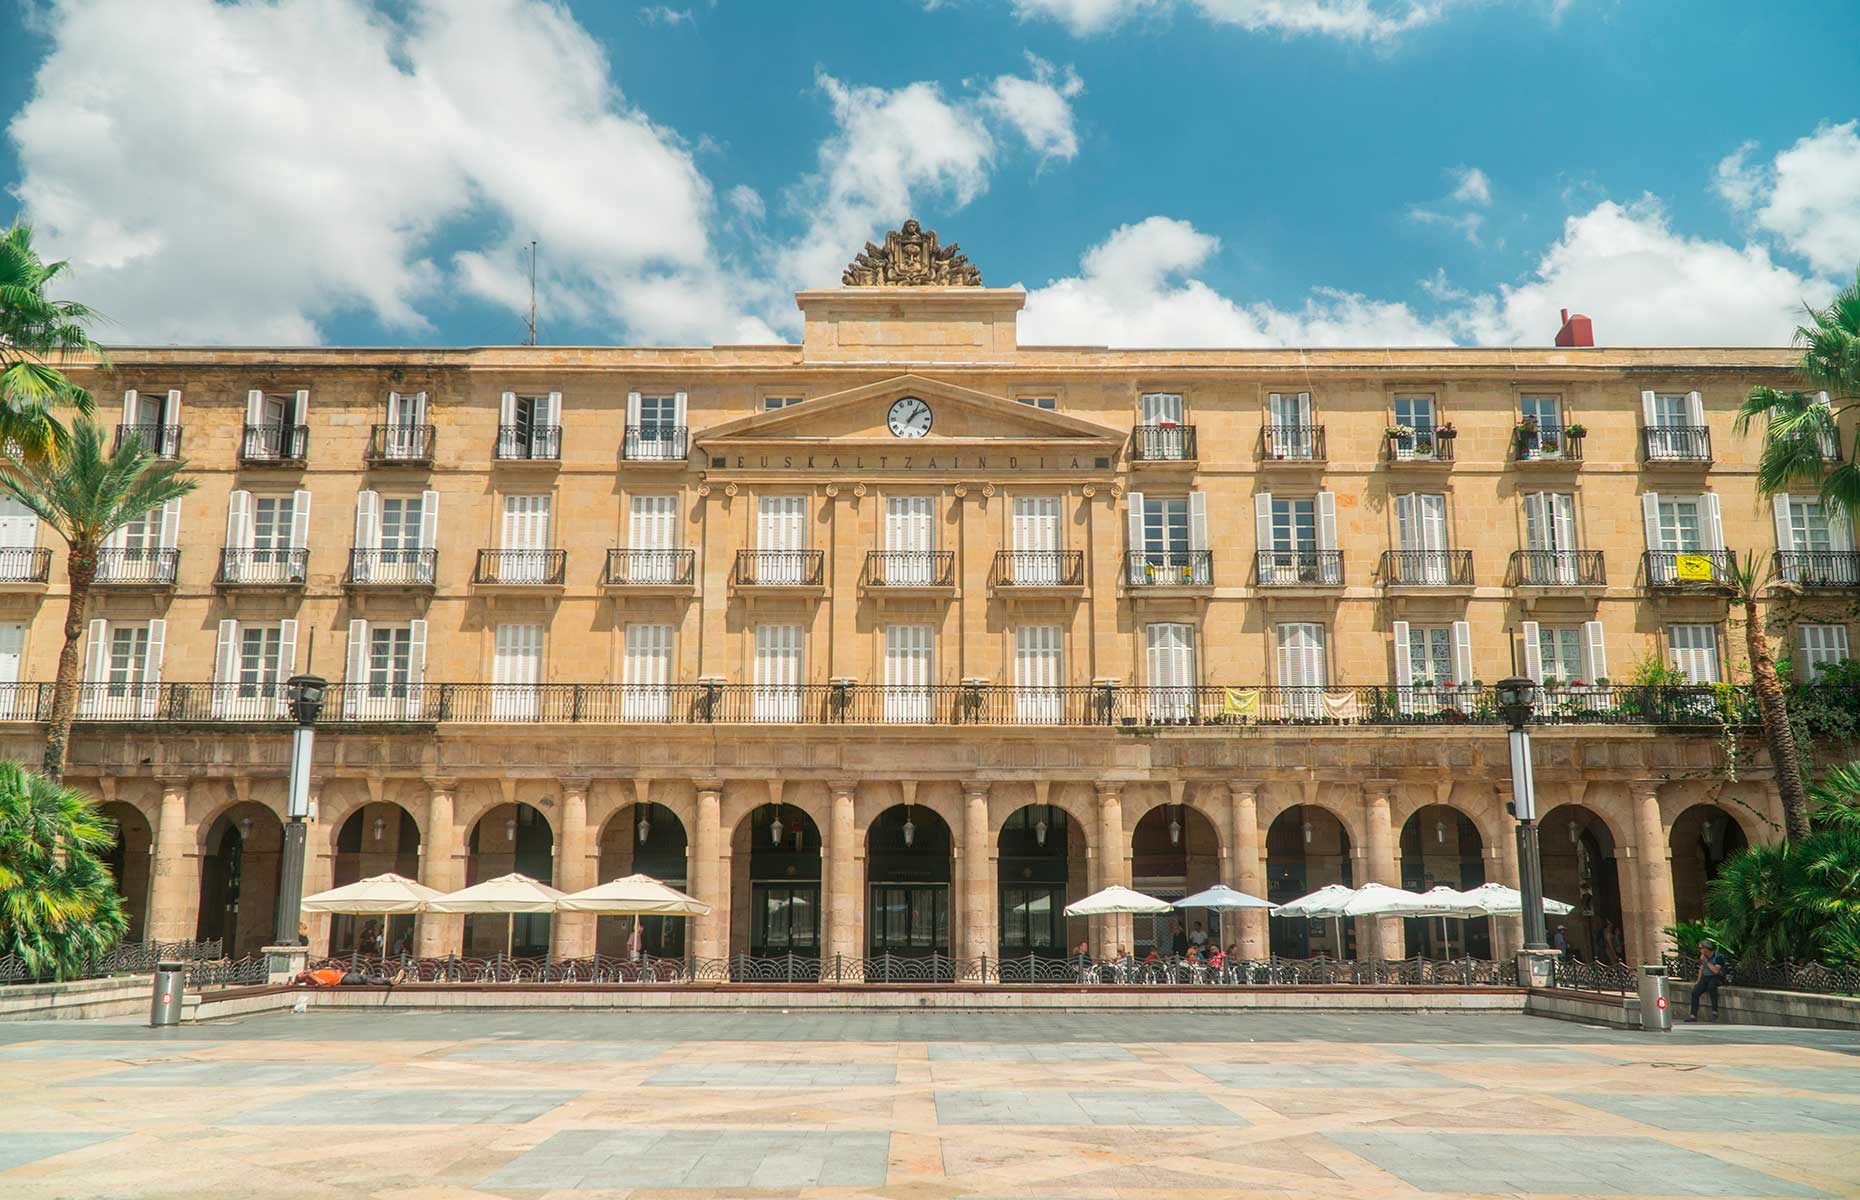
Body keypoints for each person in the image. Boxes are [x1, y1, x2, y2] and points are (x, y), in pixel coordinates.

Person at [1686, 939, 1729, 1022]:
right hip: (1706, 977)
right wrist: (1698, 981)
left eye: (1701, 948)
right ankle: (1693, 1015)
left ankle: (1714, 1011)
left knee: (1711, 987)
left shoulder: (1718, 957)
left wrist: (1707, 962)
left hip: (1717, 977)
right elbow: (1701, 969)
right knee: (1695, 992)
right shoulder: (1703, 957)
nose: (1700, 950)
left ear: (1706, 948)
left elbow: (1716, 971)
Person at [294, 965, 406, 987]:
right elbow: (322, 983)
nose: (304, 971)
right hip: (342, 979)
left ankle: (390, 980)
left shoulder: (315, 973)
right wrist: (310, 975)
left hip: (343, 975)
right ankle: (389, 981)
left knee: (367, 978)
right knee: (365, 979)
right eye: (302, 974)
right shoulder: (311, 978)